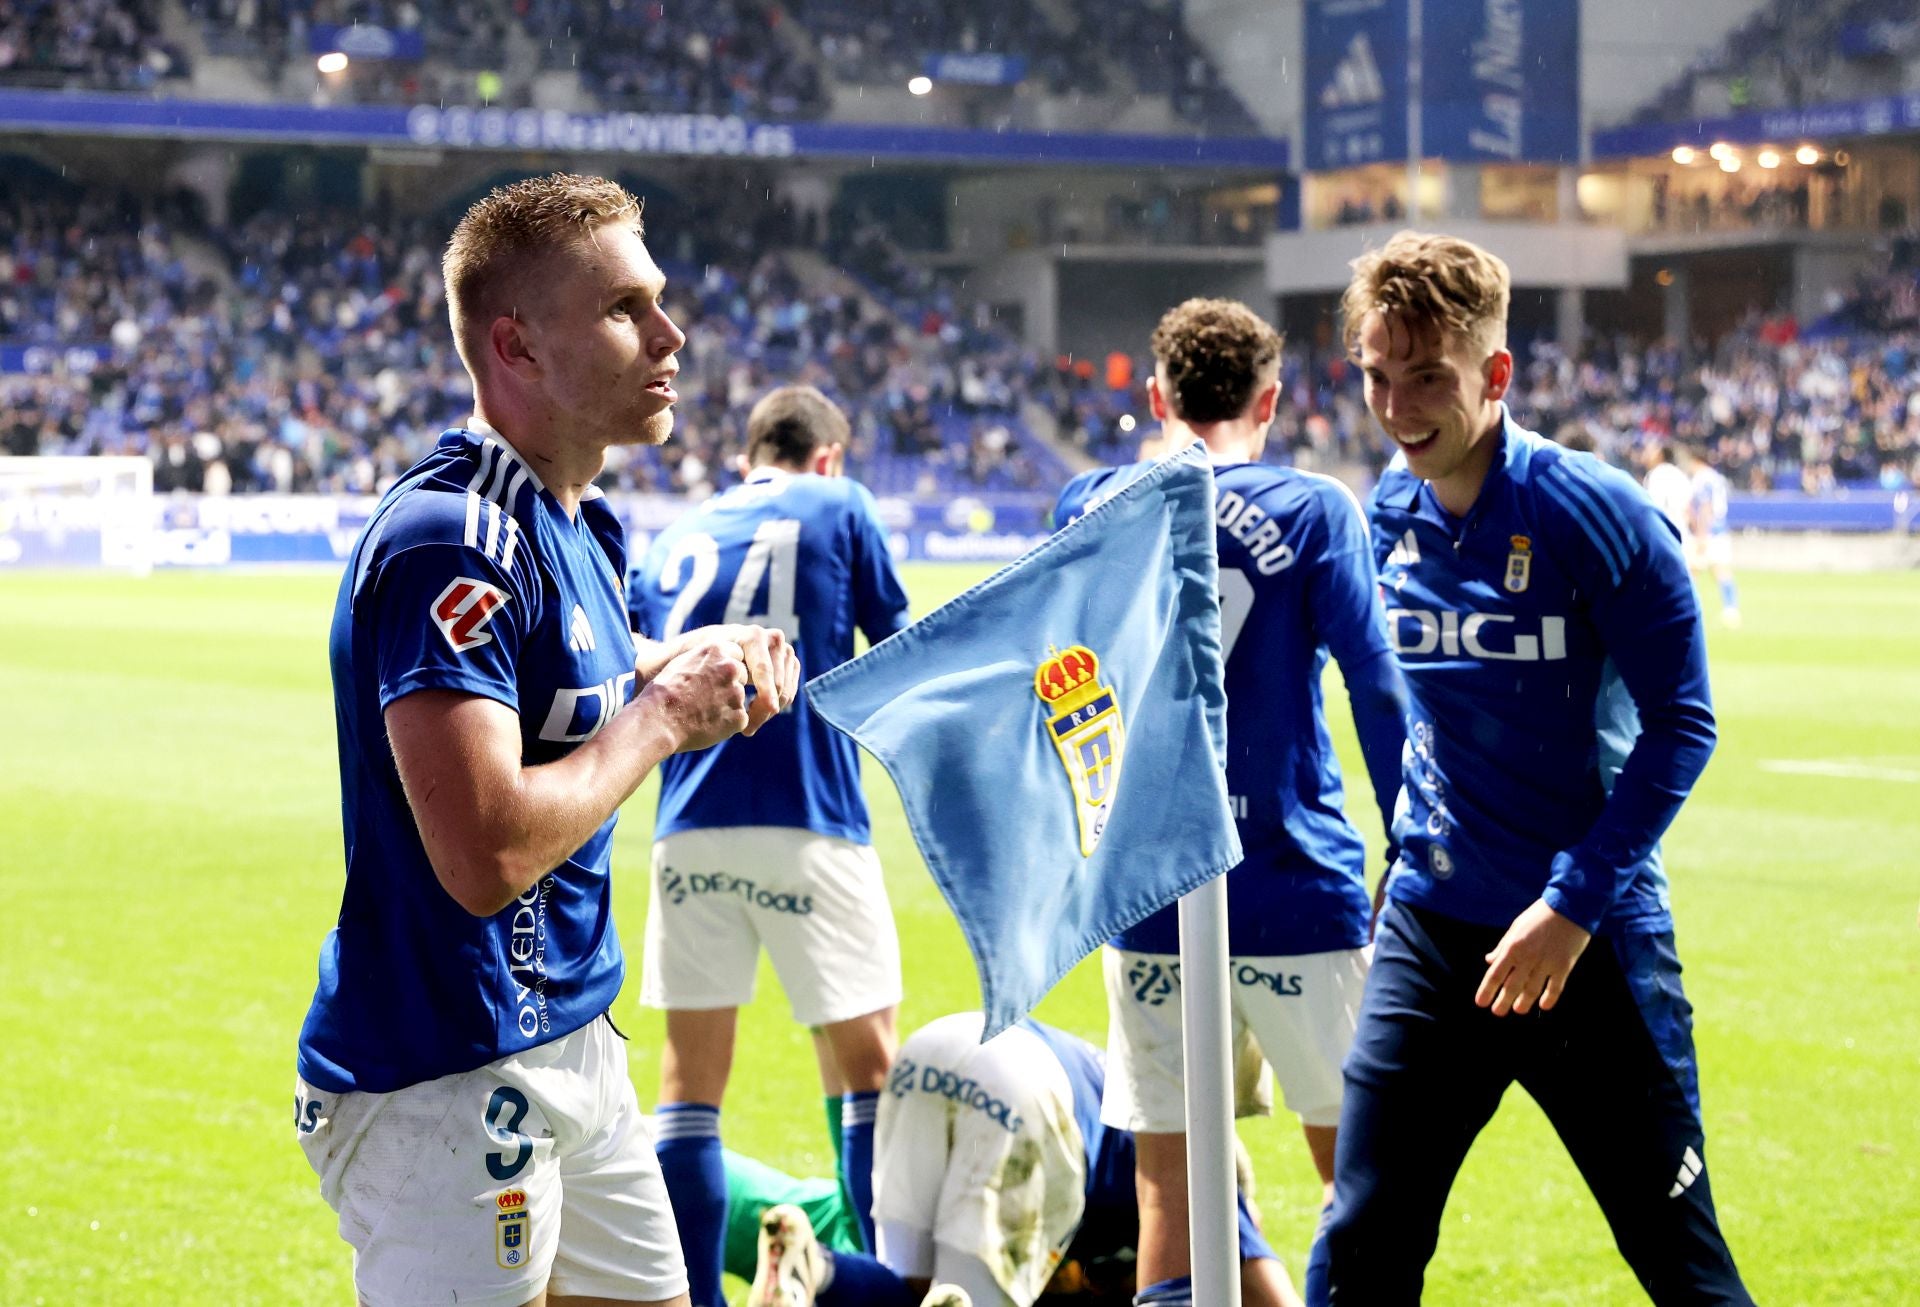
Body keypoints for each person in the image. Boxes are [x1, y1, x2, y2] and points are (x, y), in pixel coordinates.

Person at [292, 172, 800, 1307]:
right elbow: (487, 857)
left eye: (660, 300)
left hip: (574, 1036)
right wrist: (662, 718)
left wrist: (684, 660)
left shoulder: (578, 517)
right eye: (626, 309)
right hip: (443, 1075)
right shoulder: (449, 543)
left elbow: (569, 693)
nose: (671, 333)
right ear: (516, 347)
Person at [1317, 229, 1752, 1303]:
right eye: (1377, 374)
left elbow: (1682, 723)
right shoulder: (1392, 508)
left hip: (1587, 942)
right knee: (1359, 1247)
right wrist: (1395, 882)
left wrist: (1572, 902)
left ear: (1495, 373)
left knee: (1682, 1264)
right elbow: (1426, 724)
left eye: (1427, 377)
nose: (1396, 404)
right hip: (1432, 931)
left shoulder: (1591, 508)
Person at [1053, 299, 1408, 1307]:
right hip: (1294, 876)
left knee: (1170, 1183)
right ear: (1272, 398)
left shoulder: (1090, 502)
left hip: (1152, 885)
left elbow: (1055, 684)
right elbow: (1377, 687)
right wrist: (1408, 847)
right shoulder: (1313, 508)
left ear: (1157, 396)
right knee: (1359, 1182)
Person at [627, 383, 913, 1306]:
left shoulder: (674, 538)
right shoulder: (840, 504)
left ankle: (699, 1299)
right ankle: (871, 1283)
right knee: (870, 1066)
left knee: (687, 1086)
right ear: (827, 456)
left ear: (748, 453)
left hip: (689, 824)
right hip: (809, 815)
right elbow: (899, 650)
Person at [733, 1012, 1296, 1307]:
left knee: (906, 1287)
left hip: (936, 1050)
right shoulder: (1203, 1180)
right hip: (1030, 1090)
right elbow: (1266, 1292)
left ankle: (816, 1266)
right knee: (961, 1301)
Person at [1676, 441, 1742, 628]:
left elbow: (1705, 508)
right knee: (1720, 571)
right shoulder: (1716, 477)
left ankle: (1686, 610)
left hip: (1707, 532)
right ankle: (1731, 610)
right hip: (1720, 529)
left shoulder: (1701, 478)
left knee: (1691, 572)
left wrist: (1701, 535)